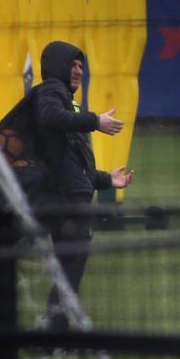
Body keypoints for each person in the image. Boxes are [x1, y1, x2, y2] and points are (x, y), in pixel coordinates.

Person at [32, 40, 134, 331]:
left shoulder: (66, 97)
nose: (78, 70)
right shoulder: (52, 90)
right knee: (71, 260)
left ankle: (55, 324)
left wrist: (105, 179)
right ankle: (54, 327)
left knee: (71, 261)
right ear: (56, 66)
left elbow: (73, 160)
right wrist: (94, 121)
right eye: (72, 64)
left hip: (71, 195)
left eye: (81, 66)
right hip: (65, 199)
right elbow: (49, 117)